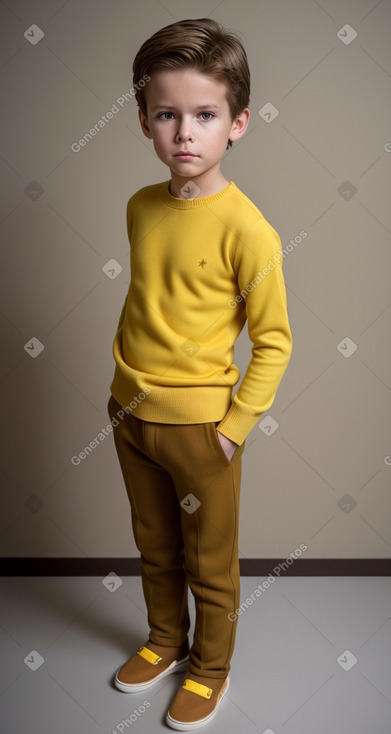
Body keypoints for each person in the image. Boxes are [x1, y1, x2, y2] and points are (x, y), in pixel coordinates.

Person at [107, 17, 292, 731]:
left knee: (208, 562)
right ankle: (163, 640)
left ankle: (209, 670)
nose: (185, 133)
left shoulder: (249, 229)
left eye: (204, 116)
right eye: (167, 114)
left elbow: (273, 341)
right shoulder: (139, 207)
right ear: (145, 121)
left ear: (236, 124)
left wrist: (233, 428)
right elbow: (151, 305)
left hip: (201, 431)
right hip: (127, 416)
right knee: (153, 546)